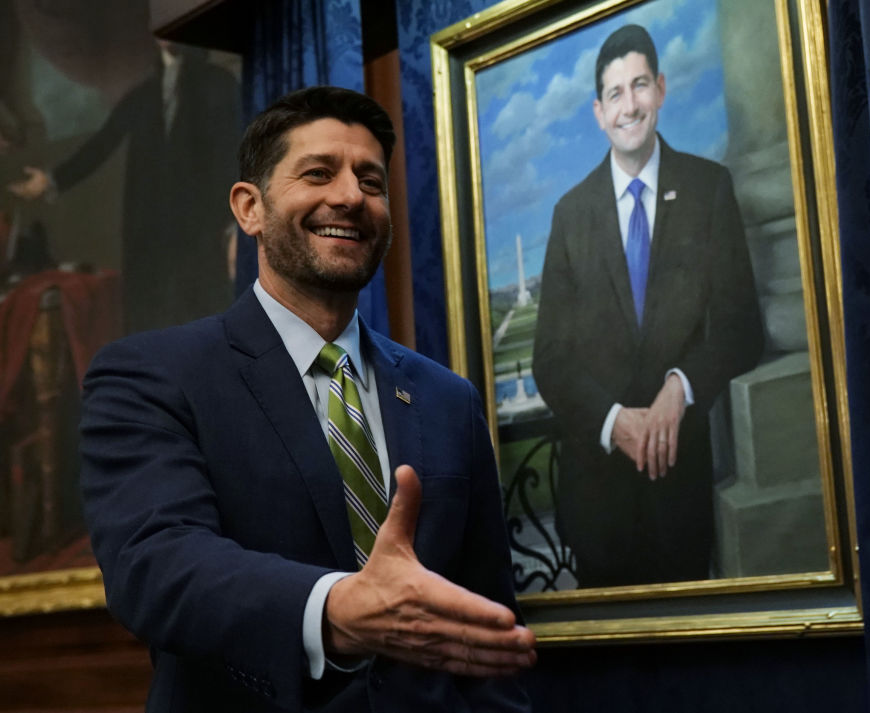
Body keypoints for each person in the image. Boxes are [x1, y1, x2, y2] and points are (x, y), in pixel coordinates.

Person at [79, 86, 535, 712]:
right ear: (250, 208)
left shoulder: (448, 399)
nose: (349, 196)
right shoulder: (151, 376)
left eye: (370, 181)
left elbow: (491, 631)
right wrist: (337, 609)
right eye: (318, 172)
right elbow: (156, 568)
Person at [532, 25, 764, 588]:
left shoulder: (710, 189)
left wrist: (678, 386)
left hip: (681, 490)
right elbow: (550, 361)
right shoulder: (570, 214)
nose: (629, 105)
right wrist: (616, 422)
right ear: (597, 111)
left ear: (660, 89)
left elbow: (740, 328)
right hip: (597, 503)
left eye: (640, 86)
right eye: (615, 93)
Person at [7, 41, 238, 333]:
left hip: (202, 231)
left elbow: (233, 155)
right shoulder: (144, 94)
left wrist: (233, 226)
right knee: (155, 322)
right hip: (150, 233)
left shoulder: (218, 83)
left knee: (203, 316)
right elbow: (102, 144)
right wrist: (52, 179)